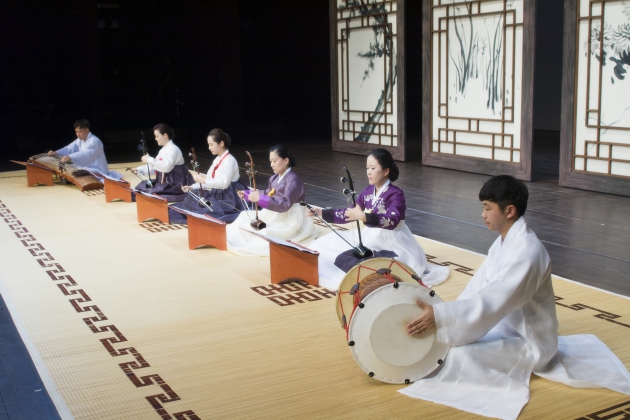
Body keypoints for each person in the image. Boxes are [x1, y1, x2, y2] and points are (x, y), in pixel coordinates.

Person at [400, 175, 630, 420]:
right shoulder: (504, 243)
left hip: (528, 340)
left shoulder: (527, 252)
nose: (483, 215)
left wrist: (445, 318)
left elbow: (493, 300)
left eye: (487, 208)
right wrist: (446, 313)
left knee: (457, 357)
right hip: (501, 324)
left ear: (509, 210)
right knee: (448, 345)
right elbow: (480, 288)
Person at [308, 148, 450, 291]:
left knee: (385, 267)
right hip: (371, 236)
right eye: (367, 168)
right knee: (326, 243)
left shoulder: (396, 194)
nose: (368, 172)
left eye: (373, 168)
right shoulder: (368, 192)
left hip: (394, 241)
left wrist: (363, 216)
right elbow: (351, 212)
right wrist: (322, 213)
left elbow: (391, 221)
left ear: (386, 170)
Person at [226, 144, 318, 256]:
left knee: (266, 232)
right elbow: (267, 193)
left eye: (274, 161)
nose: (271, 165)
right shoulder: (274, 178)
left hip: (291, 217)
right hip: (275, 213)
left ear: (286, 160)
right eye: (271, 161)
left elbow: (285, 204)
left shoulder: (294, 180)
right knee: (243, 216)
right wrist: (247, 194)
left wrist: (259, 199)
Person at [168, 128, 246, 224]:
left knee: (207, 209)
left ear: (221, 143)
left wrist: (203, 181)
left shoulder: (230, 160)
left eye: (211, 144)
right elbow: (209, 180)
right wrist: (192, 187)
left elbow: (224, 184)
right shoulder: (217, 160)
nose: (209, 147)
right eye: (209, 144)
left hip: (230, 197)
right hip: (217, 193)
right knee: (192, 198)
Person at [130, 123, 194, 202]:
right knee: (142, 186)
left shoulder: (174, 149)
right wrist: (138, 170)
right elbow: (156, 166)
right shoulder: (162, 150)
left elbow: (166, 167)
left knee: (151, 193)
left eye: (157, 136)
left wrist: (149, 159)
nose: (155, 139)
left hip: (175, 183)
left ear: (165, 135)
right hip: (165, 181)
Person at [48, 119, 122, 180]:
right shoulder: (80, 140)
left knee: (76, 174)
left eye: (80, 131)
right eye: (76, 131)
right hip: (87, 167)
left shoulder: (94, 141)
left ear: (86, 130)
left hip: (98, 170)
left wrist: (70, 156)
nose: (78, 134)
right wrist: (56, 153)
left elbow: (87, 154)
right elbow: (69, 148)